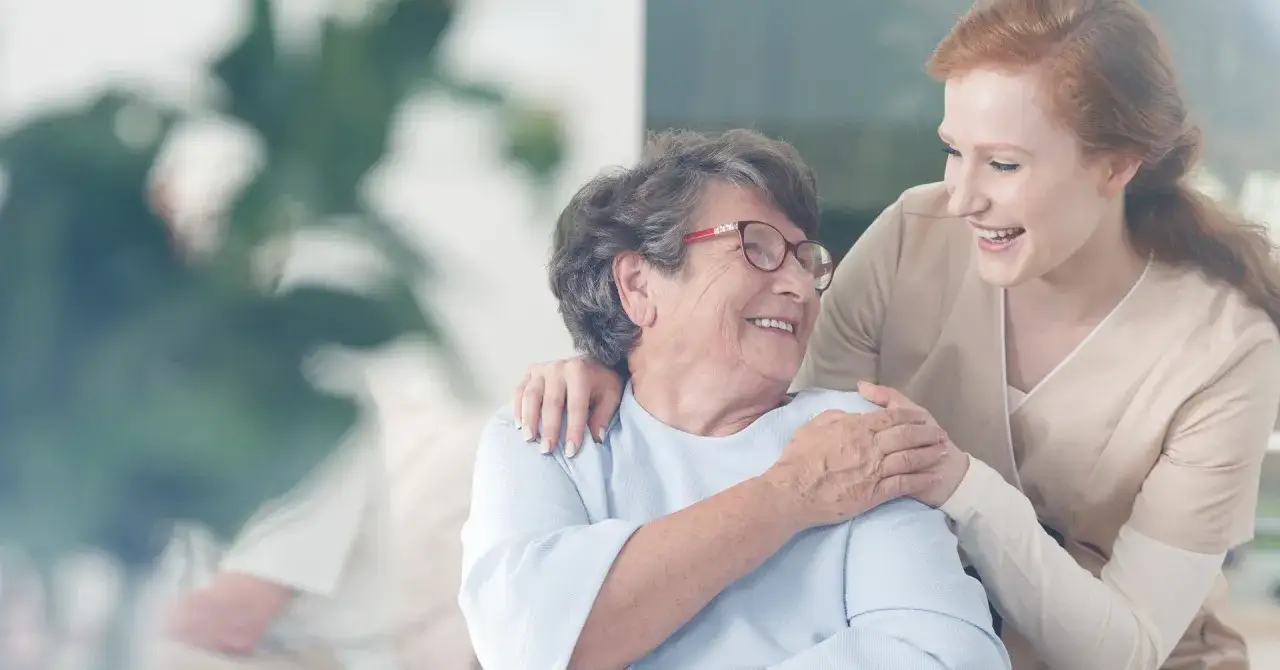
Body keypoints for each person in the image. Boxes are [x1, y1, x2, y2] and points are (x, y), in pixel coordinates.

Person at [508, 1, 1280, 669]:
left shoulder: (1224, 352)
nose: (962, 195)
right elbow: (775, 419)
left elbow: (1125, 652)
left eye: (1003, 164)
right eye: (953, 149)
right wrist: (622, 361)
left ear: (1115, 167)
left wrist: (961, 484)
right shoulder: (919, 234)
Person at [458, 129, 1010, 670]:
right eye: (758, 248)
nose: (798, 284)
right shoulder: (548, 433)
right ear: (640, 284)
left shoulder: (856, 441)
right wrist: (788, 493)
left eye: (804, 258)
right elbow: (528, 643)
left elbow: (950, 657)